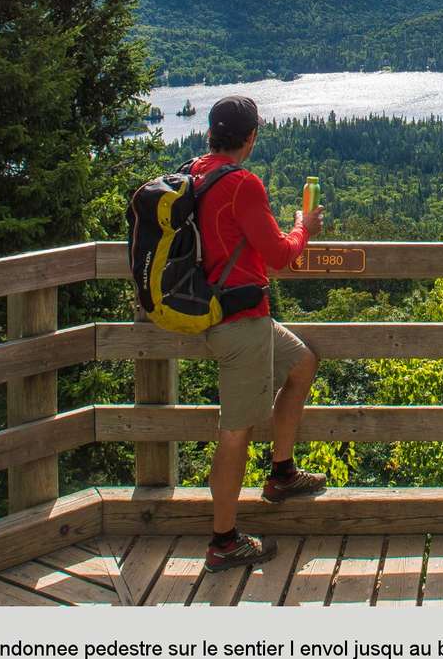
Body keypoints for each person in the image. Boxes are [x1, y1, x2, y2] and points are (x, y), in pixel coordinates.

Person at [182, 95, 328, 570]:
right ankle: (223, 542)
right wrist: (303, 227)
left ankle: (282, 472)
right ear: (251, 137)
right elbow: (281, 254)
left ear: (210, 134)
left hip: (219, 313)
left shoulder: (194, 174)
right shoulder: (242, 184)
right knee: (235, 433)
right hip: (240, 325)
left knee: (302, 362)